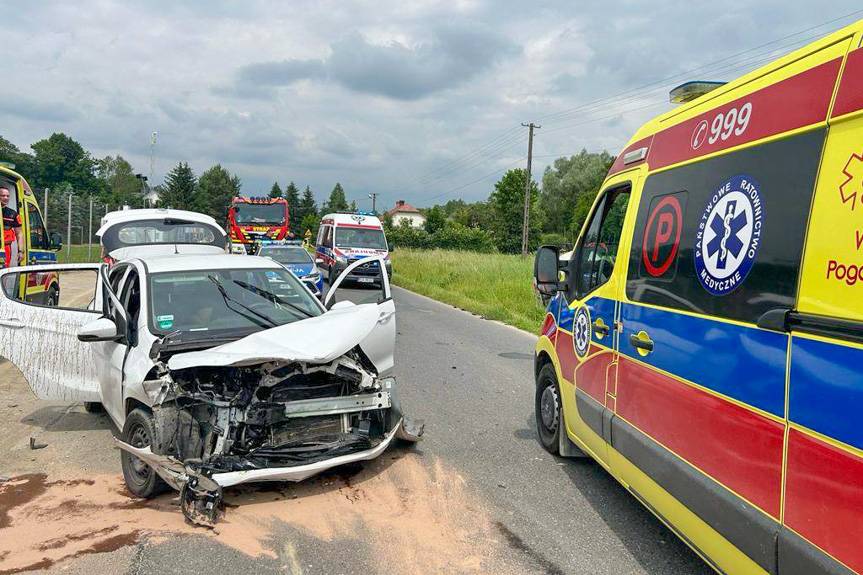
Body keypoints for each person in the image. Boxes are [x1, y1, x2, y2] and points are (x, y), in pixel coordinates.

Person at [0, 187, 23, 268]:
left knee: (4, 271)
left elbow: (19, 234)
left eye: (7, 196)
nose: (6, 198)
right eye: (3, 195)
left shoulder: (13, 214)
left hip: (6, 248)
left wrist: (20, 251)